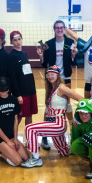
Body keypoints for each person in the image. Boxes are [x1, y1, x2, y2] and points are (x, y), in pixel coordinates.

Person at [20, 65, 83, 168]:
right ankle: (78, 148)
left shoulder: (62, 88)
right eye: (48, 75)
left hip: (58, 124)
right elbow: (48, 110)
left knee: (29, 128)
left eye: (52, 74)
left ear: (57, 75)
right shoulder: (51, 89)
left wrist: (76, 118)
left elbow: (79, 98)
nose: (50, 76)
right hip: (52, 122)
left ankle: (36, 159)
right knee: (64, 151)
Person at [36, 20, 77, 150]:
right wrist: (41, 57)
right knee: (50, 105)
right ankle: (45, 137)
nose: (59, 30)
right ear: (54, 29)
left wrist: (73, 55)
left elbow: (72, 60)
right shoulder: (48, 44)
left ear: (65, 29)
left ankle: (72, 132)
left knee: (67, 104)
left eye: (61, 28)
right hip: (52, 78)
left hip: (66, 77)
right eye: (57, 28)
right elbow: (44, 63)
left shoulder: (70, 43)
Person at [0, 77, 29, 166]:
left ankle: (6, 148)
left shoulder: (14, 100)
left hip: (10, 135)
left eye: (5, 89)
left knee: (26, 158)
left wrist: (15, 138)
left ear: (8, 88)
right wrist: (8, 141)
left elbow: (15, 120)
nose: (3, 91)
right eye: (1, 89)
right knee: (17, 161)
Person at [8, 31, 38, 126]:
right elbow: (12, 78)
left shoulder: (24, 54)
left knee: (29, 115)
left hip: (30, 90)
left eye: (19, 39)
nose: (18, 42)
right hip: (21, 92)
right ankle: (12, 137)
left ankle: (29, 136)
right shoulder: (11, 56)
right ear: (11, 42)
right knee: (19, 116)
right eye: (15, 40)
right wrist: (17, 94)